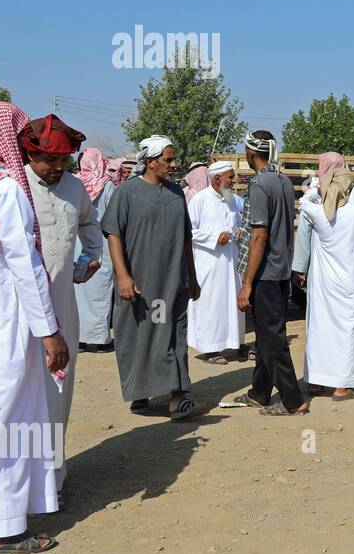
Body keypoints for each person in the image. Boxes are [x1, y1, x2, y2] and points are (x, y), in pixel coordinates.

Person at [0, 101, 65, 554]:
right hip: (6, 325)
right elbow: (26, 268)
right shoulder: (4, 189)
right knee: (7, 423)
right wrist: (50, 332)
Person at [21, 114, 104, 497]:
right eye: (49, 161)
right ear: (29, 153)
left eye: (63, 161)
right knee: (21, 395)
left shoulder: (74, 188)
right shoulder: (13, 187)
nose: (56, 168)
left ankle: (51, 480)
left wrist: (88, 258)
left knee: (58, 392)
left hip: (63, 307)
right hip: (20, 314)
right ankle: (18, 486)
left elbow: (90, 225)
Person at [102, 135, 205, 420]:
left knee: (174, 334)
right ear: (150, 162)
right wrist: (123, 276)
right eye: (168, 160)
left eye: (173, 159)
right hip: (140, 283)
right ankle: (140, 392)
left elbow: (186, 239)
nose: (174, 164)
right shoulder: (128, 192)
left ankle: (178, 397)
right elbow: (113, 234)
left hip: (173, 281)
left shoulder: (175, 193)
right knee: (138, 336)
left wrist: (192, 278)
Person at [233, 131, 308, 416]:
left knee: (273, 337)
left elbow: (259, 236)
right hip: (280, 269)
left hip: (265, 273)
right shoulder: (283, 182)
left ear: (251, 152)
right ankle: (260, 392)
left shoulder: (259, 184)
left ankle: (292, 399)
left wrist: (247, 283)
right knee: (266, 334)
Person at [298, 161, 354, 399]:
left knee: (320, 331)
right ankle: (342, 387)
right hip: (349, 284)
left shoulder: (317, 212)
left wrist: (318, 189)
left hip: (323, 286)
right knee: (348, 333)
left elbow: (304, 201)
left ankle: (316, 382)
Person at [188, 160, 247, 364]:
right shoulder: (200, 200)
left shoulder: (233, 199)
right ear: (217, 179)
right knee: (211, 304)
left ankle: (234, 343)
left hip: (231, 262)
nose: (235, 180)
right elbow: (189, 230)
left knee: (231, 302)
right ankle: (210, 348)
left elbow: (240, 224)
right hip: (210, 262)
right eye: (231, 177)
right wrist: (213, 238)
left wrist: (240, 232)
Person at [291, 151, 354, 284]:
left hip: (322, 265)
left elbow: (304, 233)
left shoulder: (315, 193)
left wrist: (300, 267)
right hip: (352, 263)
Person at [74, 151, 125, 351]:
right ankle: (99, 340)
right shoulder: (107, 186)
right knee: (100, 291)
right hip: (101, 243)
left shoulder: (74, 183)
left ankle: (79, 338)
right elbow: (114, 217)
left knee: (79, 291)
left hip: (78, 243)